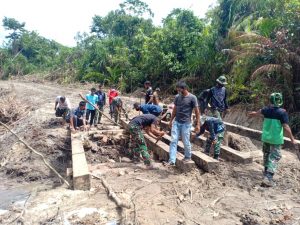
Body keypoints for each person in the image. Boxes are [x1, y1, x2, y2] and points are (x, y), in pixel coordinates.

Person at [248, 93, 296, 187]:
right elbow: (285, 127)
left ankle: (266, 172)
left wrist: (251, 114)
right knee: (275, 157)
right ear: (280, 101)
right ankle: (268, 177)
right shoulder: (282, 112)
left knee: (266, 154)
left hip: (266, 138)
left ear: (270, 100)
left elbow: (257, 113)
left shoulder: (266, 110)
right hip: (275, 139)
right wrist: (292, 139)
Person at [167, 81, 200, 166]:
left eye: (179, 90)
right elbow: (175, 109)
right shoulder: (177, 97)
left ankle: (188, 157)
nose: (178, 91)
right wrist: (171, 120)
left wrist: (198, 124)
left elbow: (197, 112)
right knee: (173, 141)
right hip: (177, 122)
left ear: (184, 89)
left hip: (186, 124)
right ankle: (172, 160)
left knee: (185, 141)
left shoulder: (192, 98)